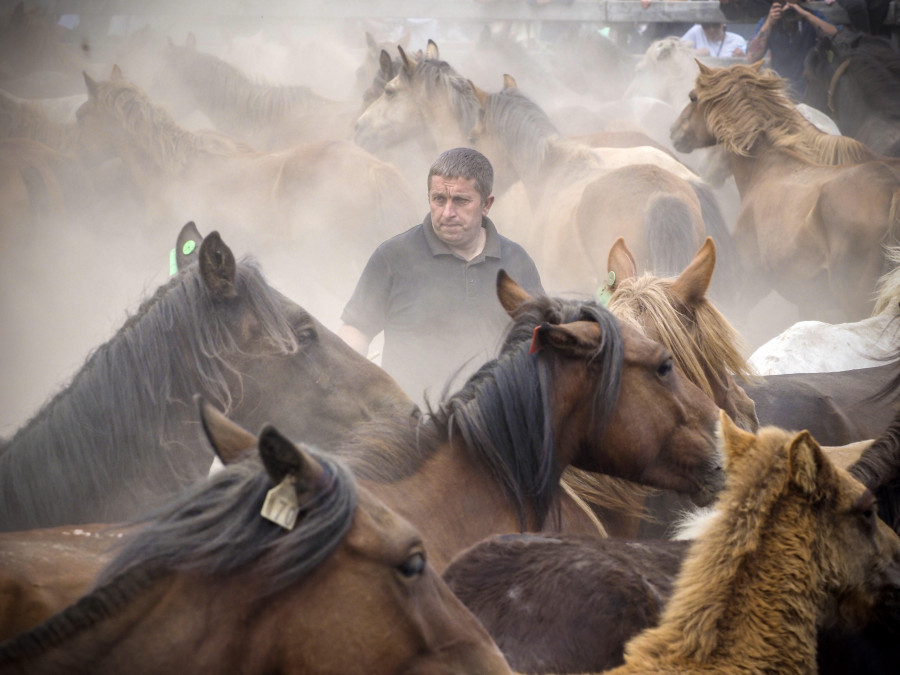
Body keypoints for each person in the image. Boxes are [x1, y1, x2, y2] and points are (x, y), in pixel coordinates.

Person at [338, 147, 544, 405]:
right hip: (410, 423)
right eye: (438, 200)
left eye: (460, 201)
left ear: (486, 205)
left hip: (493, 421)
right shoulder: (393, 257)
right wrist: (350, 384)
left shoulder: (517, 261)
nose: (447, 213)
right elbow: (356, 329)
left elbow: (536, 339)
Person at [746, 0, 838, 97]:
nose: (789, 9)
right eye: (784, 4)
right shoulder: (768, 21)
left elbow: (835, 36)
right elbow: (752, 57)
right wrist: (769, 22)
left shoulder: (810, 16)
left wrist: (807, 15)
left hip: (809, 88)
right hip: (780, 89)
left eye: (793, 4)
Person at [680, 22, 747, 58]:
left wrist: (743, 58)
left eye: (716, 25)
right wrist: (696, 53)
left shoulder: (737, 40)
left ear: (723, 23)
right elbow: (675, 49)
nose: (711, 29)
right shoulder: (697, 31)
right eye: (706, 26)